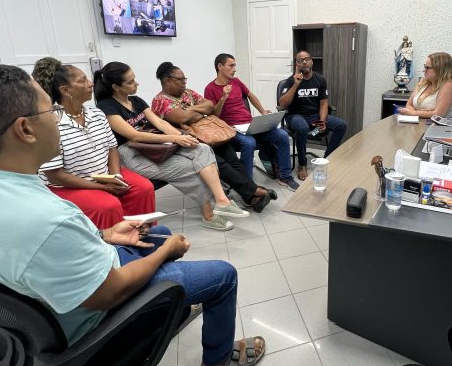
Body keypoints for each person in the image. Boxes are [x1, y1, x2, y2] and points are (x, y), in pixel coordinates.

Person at [0, 63, 265, 366]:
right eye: (49, 111)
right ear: (25, 129)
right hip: (94, 320)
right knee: (221, 273)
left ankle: (170, 310)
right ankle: (216, 361)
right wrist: (167, 252)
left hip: (27, 327)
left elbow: (41, 250)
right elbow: (109, 291)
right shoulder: (46, 218)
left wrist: (105, 234)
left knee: (155, 231)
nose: (57, 119)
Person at [93, 61, 249, 232]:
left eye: (134, 79)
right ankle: (209, 216)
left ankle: (221, 200)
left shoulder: (136, 101)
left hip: (155, 146)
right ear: (116, 87)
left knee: (203, 149)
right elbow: (133, 135)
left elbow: (159, 123)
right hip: (132, 154)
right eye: (130, 82)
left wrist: (182, 137)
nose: (136, 83)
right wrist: (175, 138)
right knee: (191, 168)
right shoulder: (106, 106)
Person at [31, 57, 154, 230]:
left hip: (104, 176)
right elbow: (55, 175)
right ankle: (114, 243)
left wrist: (116, 177)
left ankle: (143, 234)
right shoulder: (50, 123)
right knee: (107, 205)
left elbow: (112, 148)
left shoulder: (97, 114)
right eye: (83, 81)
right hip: (66, 186)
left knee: (143, 188)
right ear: (65, 90)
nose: (90, 84)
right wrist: (101, 187)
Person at [151, 62, 275, 212]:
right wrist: (198, 113)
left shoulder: (188, 92)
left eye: (185, 79)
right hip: (190, 142)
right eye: (181, 80)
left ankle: (251, 197)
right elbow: (183, 118)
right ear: (167, 80)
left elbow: (210, 106)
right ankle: (254, 191)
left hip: (210, 134)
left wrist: (191, 110)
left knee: (233, 160)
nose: (184, 83)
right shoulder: (160, 101)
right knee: (220, 163)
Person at [204, 53, 299, 191]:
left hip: (249, 124)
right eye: (231, 65)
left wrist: (262, 111)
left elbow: (251, 96)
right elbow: (213, 116)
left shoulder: (236, 82)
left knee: (282, 135)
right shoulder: (210, 89)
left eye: (235, 65)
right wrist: (223, 97)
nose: (235, 69)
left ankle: (285, 176)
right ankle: (248, 186)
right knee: (249, 143)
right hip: (231, 129)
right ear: (220, 66)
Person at [278, 50, 347, 181]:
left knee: (341, 125)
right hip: (295, 116)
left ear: (312, 62)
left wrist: (322, 121)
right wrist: (295, 85)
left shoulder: (320, 80)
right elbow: (282, 104)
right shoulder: (290, 81)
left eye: (307, 59)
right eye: (301, 60)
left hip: (314, 116)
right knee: (302, 127)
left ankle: (327, 157)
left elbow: (324, 103)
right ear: (297, 64)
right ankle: (302, 163)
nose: (305, 62)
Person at [398, 52, 452, 119]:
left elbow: (438, 114)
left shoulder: (449, 85)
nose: (424, 70)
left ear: (439, 69)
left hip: (440, 125)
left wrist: (412, 113)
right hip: (420, 123)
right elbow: (409, 105)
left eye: (427, 67)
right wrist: (422, 113)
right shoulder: (423, 82)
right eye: (425, 67)